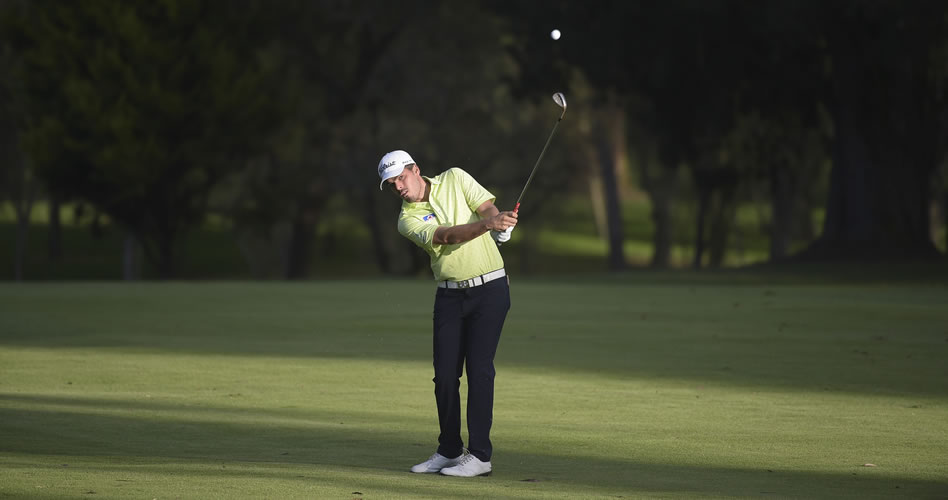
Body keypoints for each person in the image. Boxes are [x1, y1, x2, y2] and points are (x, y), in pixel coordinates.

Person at [378, 149, 517, 477]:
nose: (398, 187)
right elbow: (447, 236)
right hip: (450, 296)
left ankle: (481, 456)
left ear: (416, 170)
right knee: (444, 376)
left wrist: (499, 224)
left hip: (490, 290)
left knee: (480, 370)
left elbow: (486, 206)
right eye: (391, 183)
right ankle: (450, 450)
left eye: (400, 178)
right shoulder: (406, 219)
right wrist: (488, 225)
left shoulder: (455, 177)